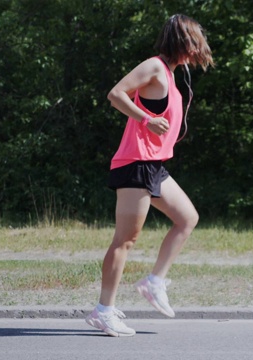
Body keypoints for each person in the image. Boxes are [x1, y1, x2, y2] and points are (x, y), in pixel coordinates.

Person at [85, 14, 214, 337]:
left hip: (154, 165)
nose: (199, 51)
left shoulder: (171, 74)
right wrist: (146, 119)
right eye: (195, 43)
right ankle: (104, 311)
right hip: (135, 163)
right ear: (184, 41)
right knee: (125, 240)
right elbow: (116, 94)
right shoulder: (155, 66)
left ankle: (154, 282)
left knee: (187, 218)